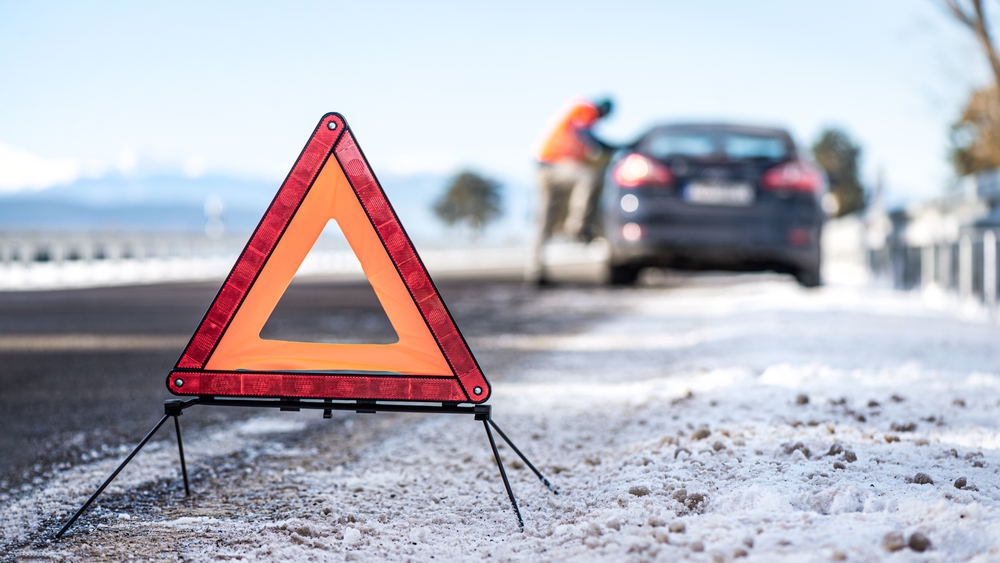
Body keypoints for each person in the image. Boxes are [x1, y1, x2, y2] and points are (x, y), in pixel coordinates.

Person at [527, 97, 615, 285]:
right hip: (553, 165)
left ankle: (535, 271)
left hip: (544, 168)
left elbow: (587, 147)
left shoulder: (582, 127)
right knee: (587, 178)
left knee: (544, 221)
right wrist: (610, 146)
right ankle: (577, 227)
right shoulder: (586, 109)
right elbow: (586, 134)